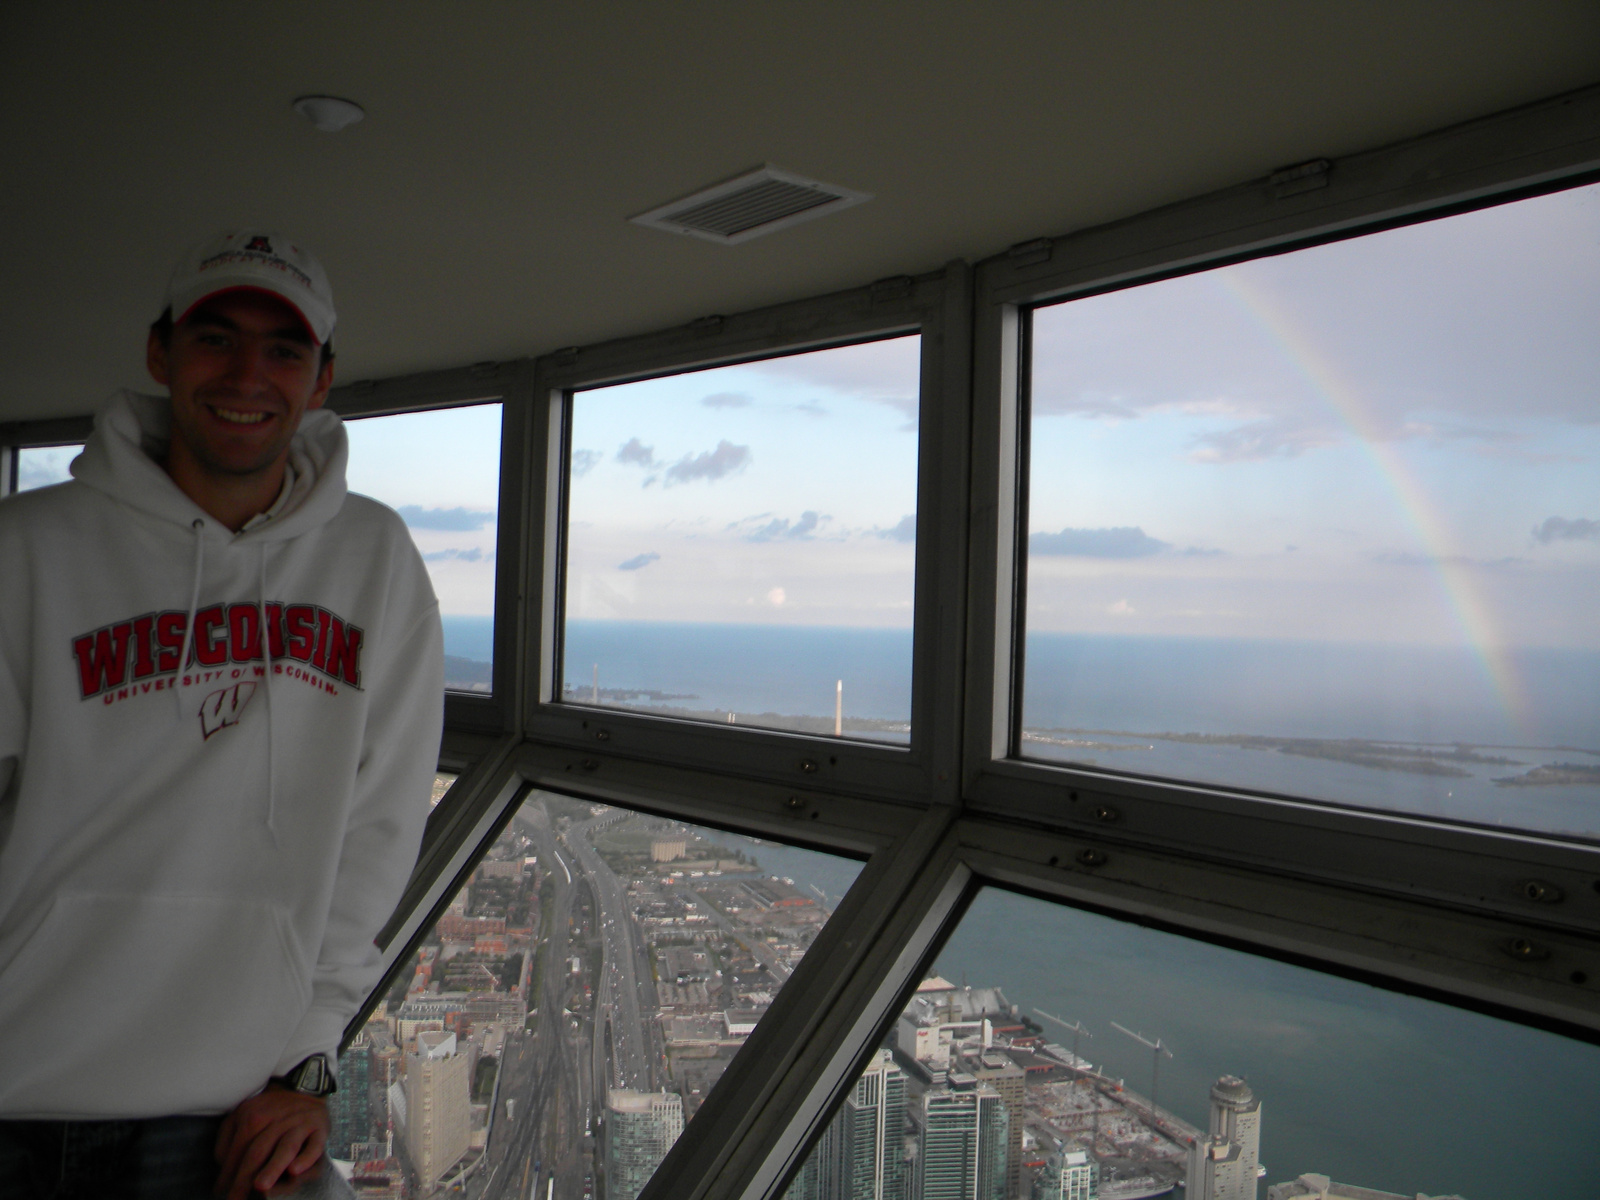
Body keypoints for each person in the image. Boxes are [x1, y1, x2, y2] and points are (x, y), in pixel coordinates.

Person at [0, 232, 444, 1198]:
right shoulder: (27, 552)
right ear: (162, 354)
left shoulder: (374, 560)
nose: (248, 374)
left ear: (322, 379)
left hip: (224, 1113)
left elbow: (380, 827)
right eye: (217, 338)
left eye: (284, 350)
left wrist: (309, 1058)